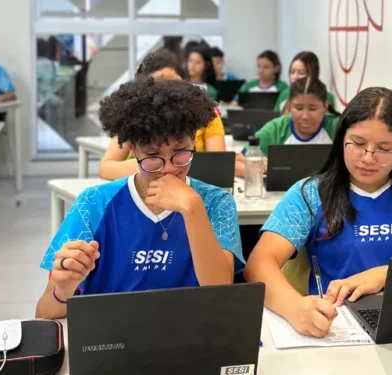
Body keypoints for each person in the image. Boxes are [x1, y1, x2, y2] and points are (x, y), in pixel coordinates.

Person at [243, 87, 392, 338]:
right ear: (342, 139)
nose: (368, 158)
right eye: (358, 143)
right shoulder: (310, 193)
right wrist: (296, 308)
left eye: (384, 149)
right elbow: (259, 264)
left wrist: (387, 275)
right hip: (338, 327)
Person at [35, 78, 244, 319]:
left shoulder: (216, 202)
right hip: (112, 336)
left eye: (181, 153)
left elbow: (220, 293)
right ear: (132, 149)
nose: (168, 169)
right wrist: (63, 290)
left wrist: (192, 207)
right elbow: (44, 312)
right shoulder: (93, 204)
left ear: (193, 141)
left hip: (190, 332)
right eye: (153, 155)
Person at [99, 49, 226, 181]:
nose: (167, 91)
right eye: (160, 83)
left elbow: (218, 164)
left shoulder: (206, 114)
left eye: (175, 84)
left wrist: (180, 165)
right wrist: (149, 165)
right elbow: (106, 168)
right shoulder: (134, 119)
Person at [234, 78, 338, 177]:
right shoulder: (276, 129)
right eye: (299, 108)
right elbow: (237, 162)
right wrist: (259, 169)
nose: (305, 116)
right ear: (290, 106)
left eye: (312, 108)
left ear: (325, 106)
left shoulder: (337, 127)